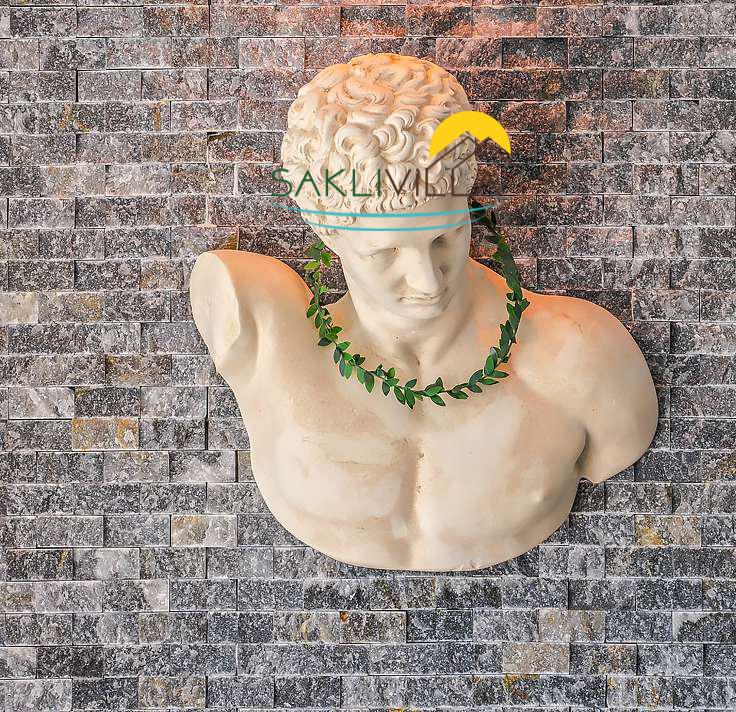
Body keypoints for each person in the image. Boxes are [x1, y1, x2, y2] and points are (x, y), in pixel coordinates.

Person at [190, 53, 658, 571]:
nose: (428, 282)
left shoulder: (581, 356)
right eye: (386, 253)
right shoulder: (266, 336)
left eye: (445, 238)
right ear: (328, 231)